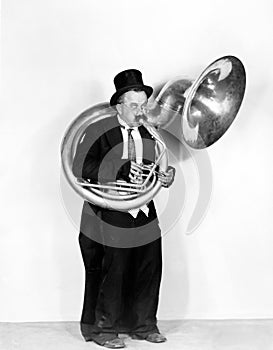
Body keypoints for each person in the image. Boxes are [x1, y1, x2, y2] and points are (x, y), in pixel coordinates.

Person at [72, 69, 175, 349]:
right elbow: (81, 166)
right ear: (119, 105)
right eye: (134, 105)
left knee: (149, 266)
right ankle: (105, 330)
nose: (140, 111)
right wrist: (119, 168)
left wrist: (166, 177)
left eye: (143, 105)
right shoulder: (98, 130)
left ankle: (144, 325)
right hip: (111, 210)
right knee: (113, 269)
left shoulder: (150, 133)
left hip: (143, 210)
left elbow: (155, 169)